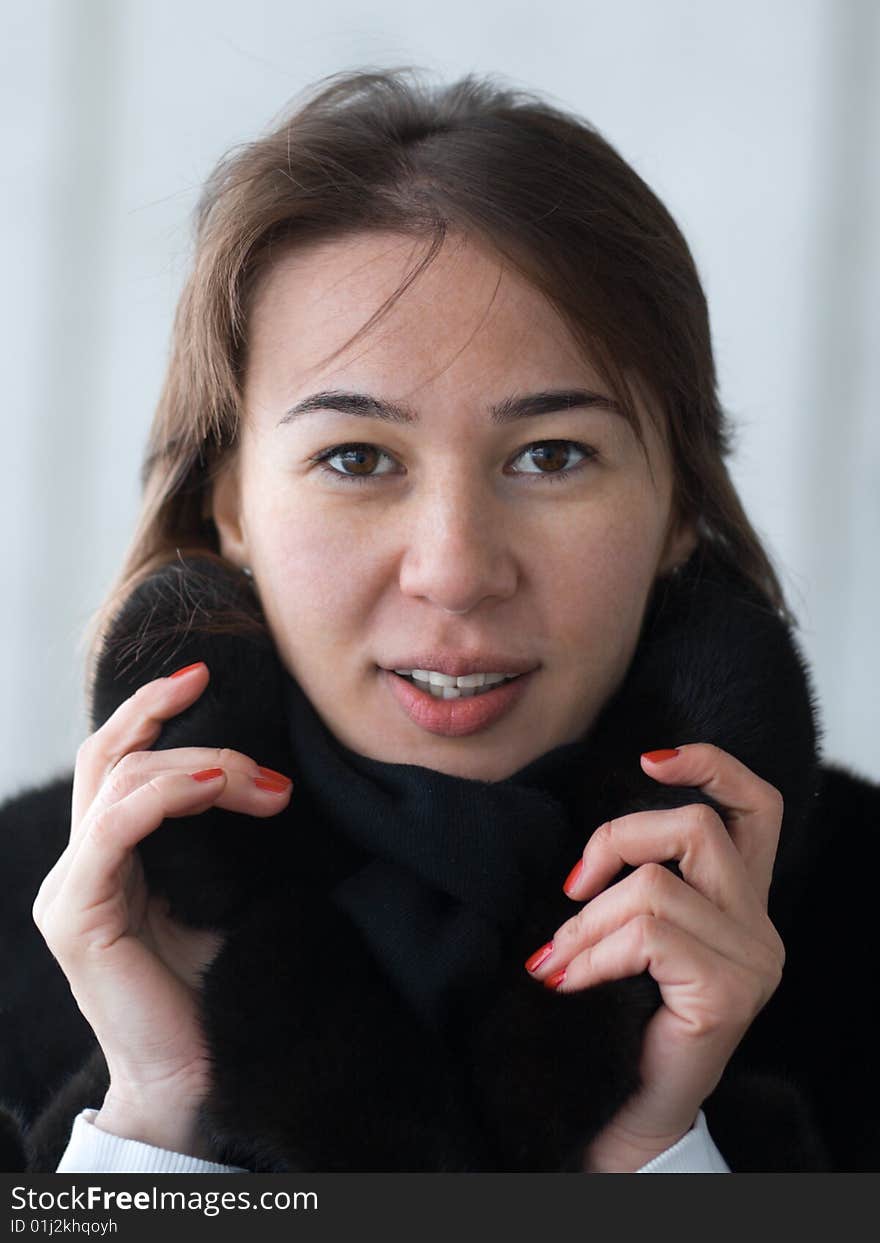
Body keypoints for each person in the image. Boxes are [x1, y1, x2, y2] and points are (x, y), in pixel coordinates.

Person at [1, 67, 877, 1175]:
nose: (455, 571)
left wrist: (656, 1153)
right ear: (229, 505)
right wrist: (155, 1118)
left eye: (551, 456)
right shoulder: (33, 912)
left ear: (676, 509)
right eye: (356, 458)